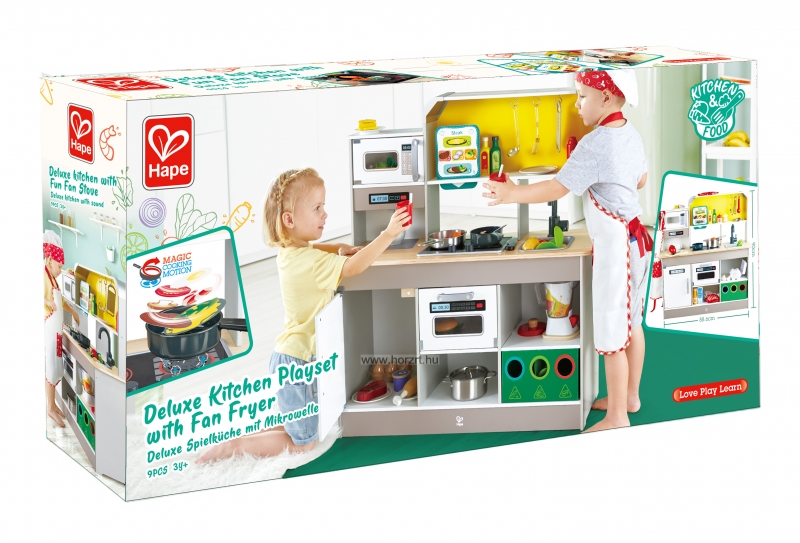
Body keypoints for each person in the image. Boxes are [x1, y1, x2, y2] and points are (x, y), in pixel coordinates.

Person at [197, 167, 409, 462]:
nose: (325, 214)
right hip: (297, 364)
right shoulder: (310, 262)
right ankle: (233, 448)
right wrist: (388, 234)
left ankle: (240, 440)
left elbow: (319, 249)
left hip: (289, 358)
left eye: (324, 206)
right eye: (317, 208)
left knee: (299, 426)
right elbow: (354, 267)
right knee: (303, 443)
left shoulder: (291, 251)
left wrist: (340, 248)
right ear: (289, 220)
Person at [483, 70, 652, 432]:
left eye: (582, 96)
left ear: (606, 97)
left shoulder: (595, 143)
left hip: (617, 252)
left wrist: (512, 193)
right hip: (638, 244)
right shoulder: (631, 133)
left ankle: (617, 417)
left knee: (611, 333)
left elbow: (557, 188)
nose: (576, 105)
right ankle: (630, 398)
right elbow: (641, 180)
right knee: (632, 323)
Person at [44, 230, 81, 427]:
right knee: (51, 368)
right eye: (59, 266)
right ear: (50, 260)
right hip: (49, 331)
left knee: (55, 367)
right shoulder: (43, 275)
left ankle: (52, 404)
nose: (60, 270)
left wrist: (73, 312)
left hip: (56, 332)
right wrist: (47, 302)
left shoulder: (52, 279)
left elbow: (61, 300)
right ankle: (50, 408)